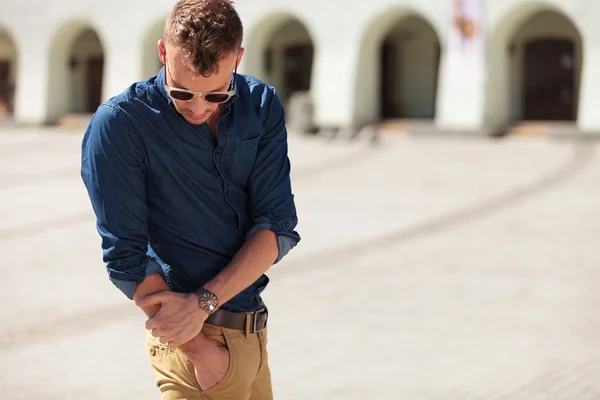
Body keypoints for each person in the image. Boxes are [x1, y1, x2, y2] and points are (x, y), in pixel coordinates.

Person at [80, 0, 301, 398]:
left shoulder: (261, 104)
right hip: (193, 351)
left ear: (238, 58)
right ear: (163, 53)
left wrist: (206, 301)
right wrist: (200, 351)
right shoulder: (120, 124)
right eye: (182, 91)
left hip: (253, 337)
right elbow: (126, 259)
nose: (197, 108)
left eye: (215, 94)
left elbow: (277, 224)